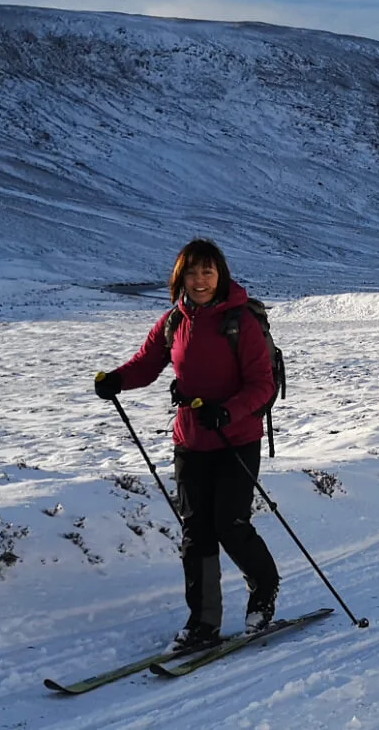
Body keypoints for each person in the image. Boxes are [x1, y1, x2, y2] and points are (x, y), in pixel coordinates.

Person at [94, 238, 280, 651]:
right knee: (196, 533)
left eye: (207, 272)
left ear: (220, 276)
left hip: (236, 438)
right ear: (180, 278)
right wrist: (116, 380)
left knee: (229, 524)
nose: (200, 280)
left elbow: (262, 384)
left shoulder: (241, 322)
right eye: (192, 273)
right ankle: (203, 622)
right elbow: (146, 363)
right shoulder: (173, 322)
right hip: (192, 440)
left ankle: (264, 590)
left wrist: (228, 412)